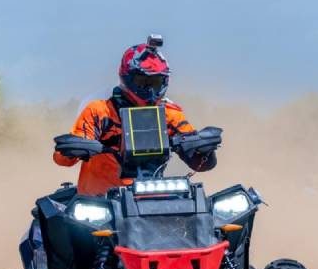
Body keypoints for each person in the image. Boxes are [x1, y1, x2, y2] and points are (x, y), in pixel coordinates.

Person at [53, 36, 218, 195]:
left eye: (156, 83)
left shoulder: (170, 114)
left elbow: (201, 164)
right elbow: (62, 160)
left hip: (152, 202)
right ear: (126, 77)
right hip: (99, 204)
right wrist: (74, 150)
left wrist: (203, 150)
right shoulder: (99, 111)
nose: (150, 90)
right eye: (143, 82)